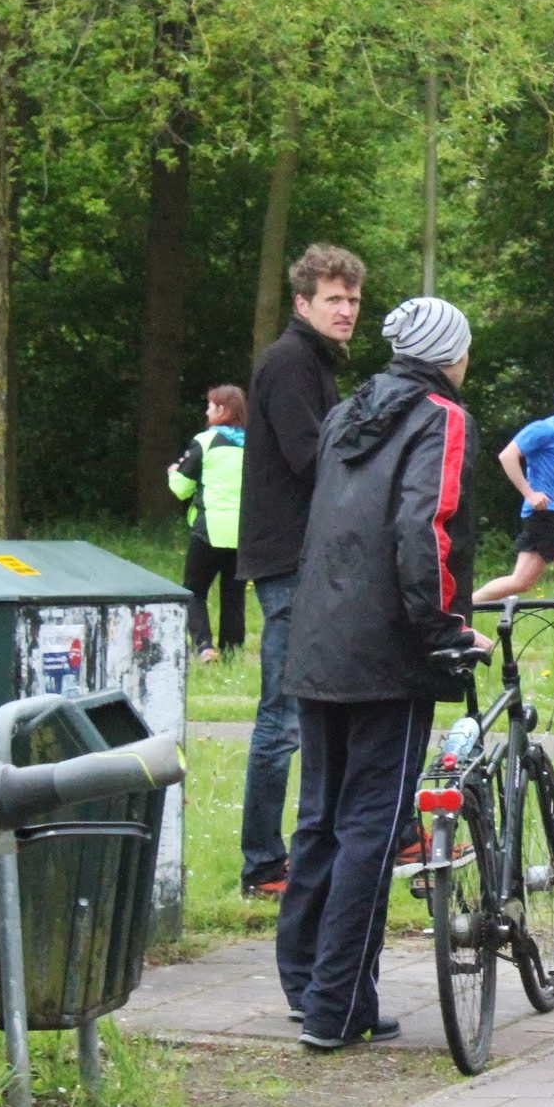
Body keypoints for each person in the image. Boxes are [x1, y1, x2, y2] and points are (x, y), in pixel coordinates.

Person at [275, 296, 483, 1049]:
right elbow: (426, 526)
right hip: (388, 651)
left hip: (319, 639)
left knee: (321, 818)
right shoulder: (440, 417)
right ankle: (335, 1006)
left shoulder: (348, 412)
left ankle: (310, 985)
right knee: (372, 824)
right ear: (450, 354)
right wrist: (444, 628)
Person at [236, 242, 364, 901]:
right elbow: (310, 458)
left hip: (307, 556)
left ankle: (316, 848)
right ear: (303, 303)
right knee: (282, 715)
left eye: (353, 299)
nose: (346, 310)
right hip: (288, 558)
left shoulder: (314, 360)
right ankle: (262, 863)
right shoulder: (290, 361)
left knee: (315, 709)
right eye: (333, 299)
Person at [472, 382, 554, 604]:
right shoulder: (544, 429)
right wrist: (529, 493)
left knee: (522, 581)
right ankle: (461, 609)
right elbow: (507, 456)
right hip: (545, 514)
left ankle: (463, 608)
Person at [168, 385, 247, 663]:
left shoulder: (205, 441)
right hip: (243, 532)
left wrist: (173, 472)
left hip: (210, 529)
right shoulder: (254, 444)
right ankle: (232, 652)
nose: (206, 411)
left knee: (194, 590)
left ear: (222, 410)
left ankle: (204, 647)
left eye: (210, 406)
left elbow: (181, 488)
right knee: (234, 595)